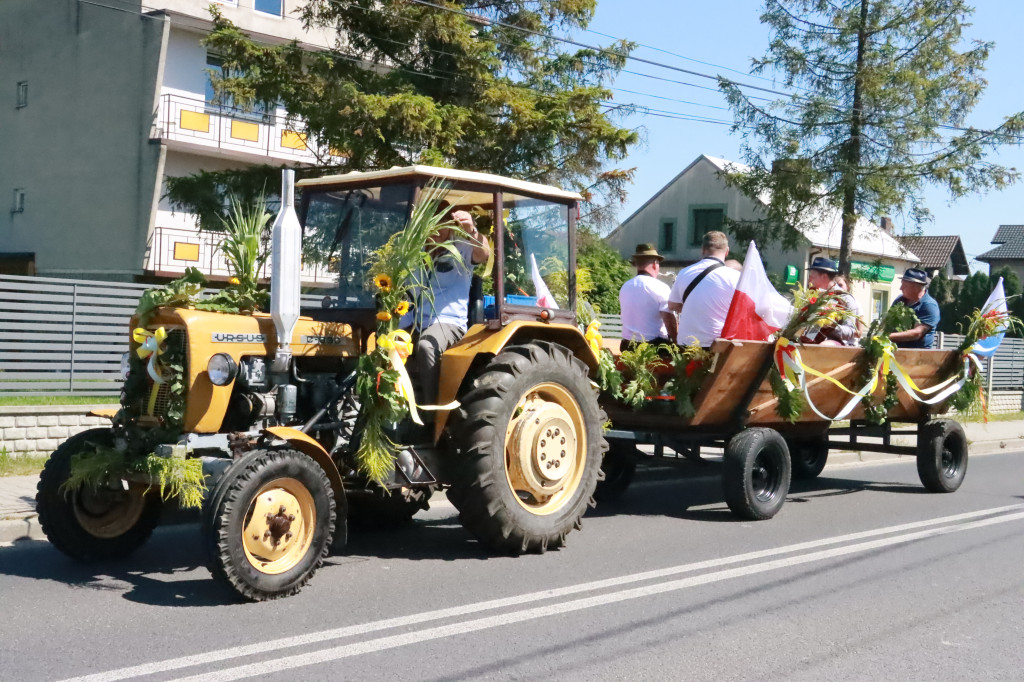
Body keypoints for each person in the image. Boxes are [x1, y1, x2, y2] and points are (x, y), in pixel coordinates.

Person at [411, 209, 491, 407]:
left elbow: (483, 253)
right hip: (415, 319)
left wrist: (472, 231)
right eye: (432, 222)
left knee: (426, 346)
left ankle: (432, 415)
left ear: (450, 226)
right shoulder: (414, 252)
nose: (437, 228)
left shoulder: (462, 248)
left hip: (447, 322)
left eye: (442, 222)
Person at [666, 231, 740, 347]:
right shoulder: (735, 277)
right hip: (717, 343)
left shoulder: (684, 272)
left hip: (686, 342)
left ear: (702, 249)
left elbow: (672, 305)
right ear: (727, 251)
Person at [618, 243, 676, 352]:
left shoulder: (625, 287)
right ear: (655, 264)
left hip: (628, 347)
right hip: (654, 349)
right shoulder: (661, 287)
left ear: (636, 264)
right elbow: (670, 323)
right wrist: (678, 344)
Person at [804, 257, 861, 346]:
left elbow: (851, 331)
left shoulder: (844, 298)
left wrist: (831, 326)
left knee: (823, 346)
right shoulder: (814, 296)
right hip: (814, 339)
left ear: (824, 277)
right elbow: (810, 331)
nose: (810, 280)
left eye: (812, 276)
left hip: (838, 344)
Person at [889, 267, 940, 349]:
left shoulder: (929, 306)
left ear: (916, 287)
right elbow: (888, 322)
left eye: (904, 285)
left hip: (918, 356)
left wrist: (888, 336)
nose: (900, 288)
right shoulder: (899, 301)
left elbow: (917, 333)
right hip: (896, 352)